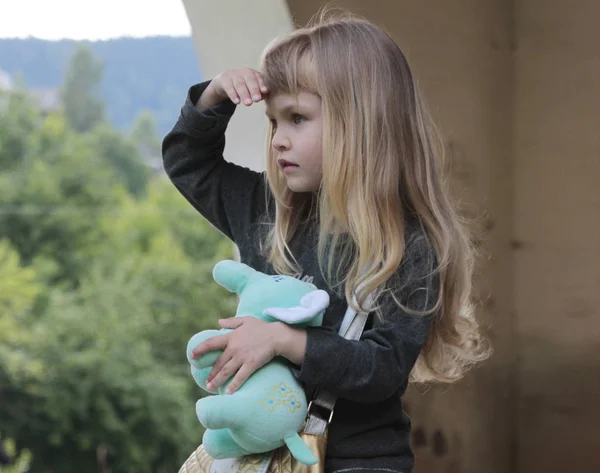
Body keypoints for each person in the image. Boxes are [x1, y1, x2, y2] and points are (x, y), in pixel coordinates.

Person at [162, 9, 489, 473]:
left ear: (361, 123)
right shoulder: (266, 212)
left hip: (360, 461)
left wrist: (284, 340)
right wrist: (215, 96)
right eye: (274, 122)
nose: (277, 139)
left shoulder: (408, 245)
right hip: (260, 458)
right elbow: (188, 164)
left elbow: (383, 368)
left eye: (297, 118)